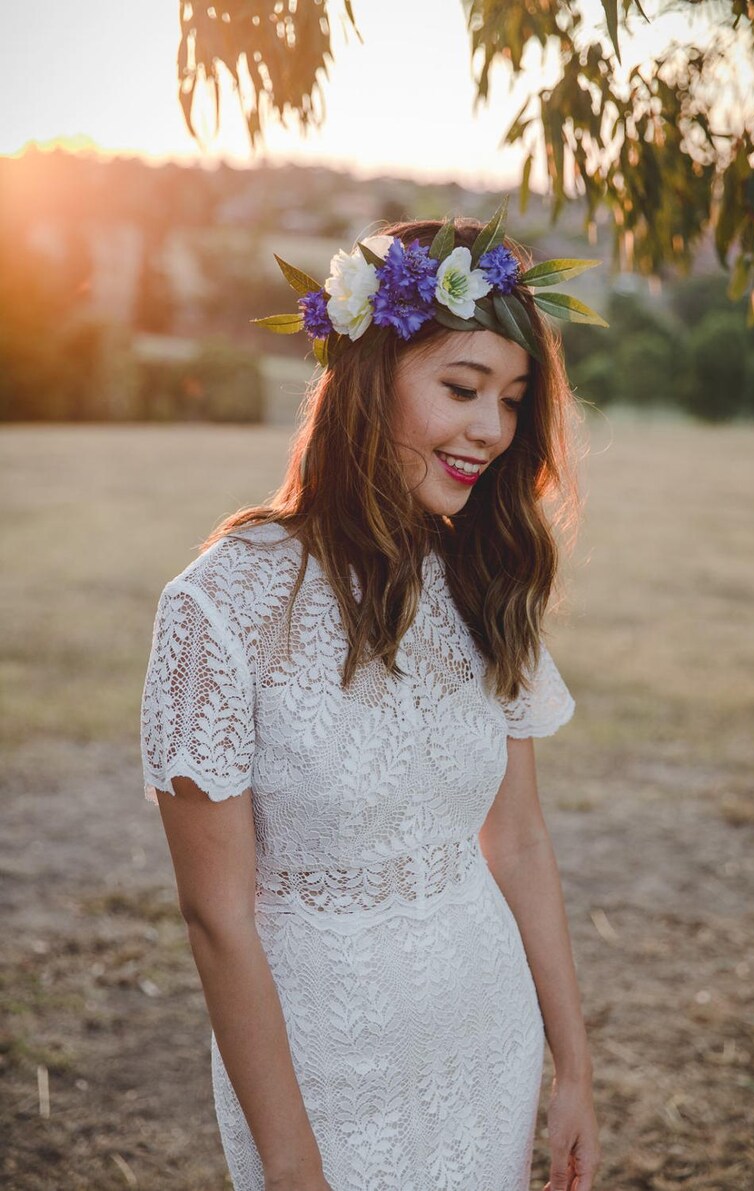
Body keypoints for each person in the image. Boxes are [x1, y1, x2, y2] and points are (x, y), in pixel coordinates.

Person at [140, 205, 604, 1191]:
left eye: (513, 399)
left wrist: (573, 1066)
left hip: (485, 1038)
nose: (491, 429)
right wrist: (292, 1162)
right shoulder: (221, 606)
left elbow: (515, 841)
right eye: (462, 387)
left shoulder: (483, 578)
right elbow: (215, 918)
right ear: (366, 382)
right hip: (321, 1072)